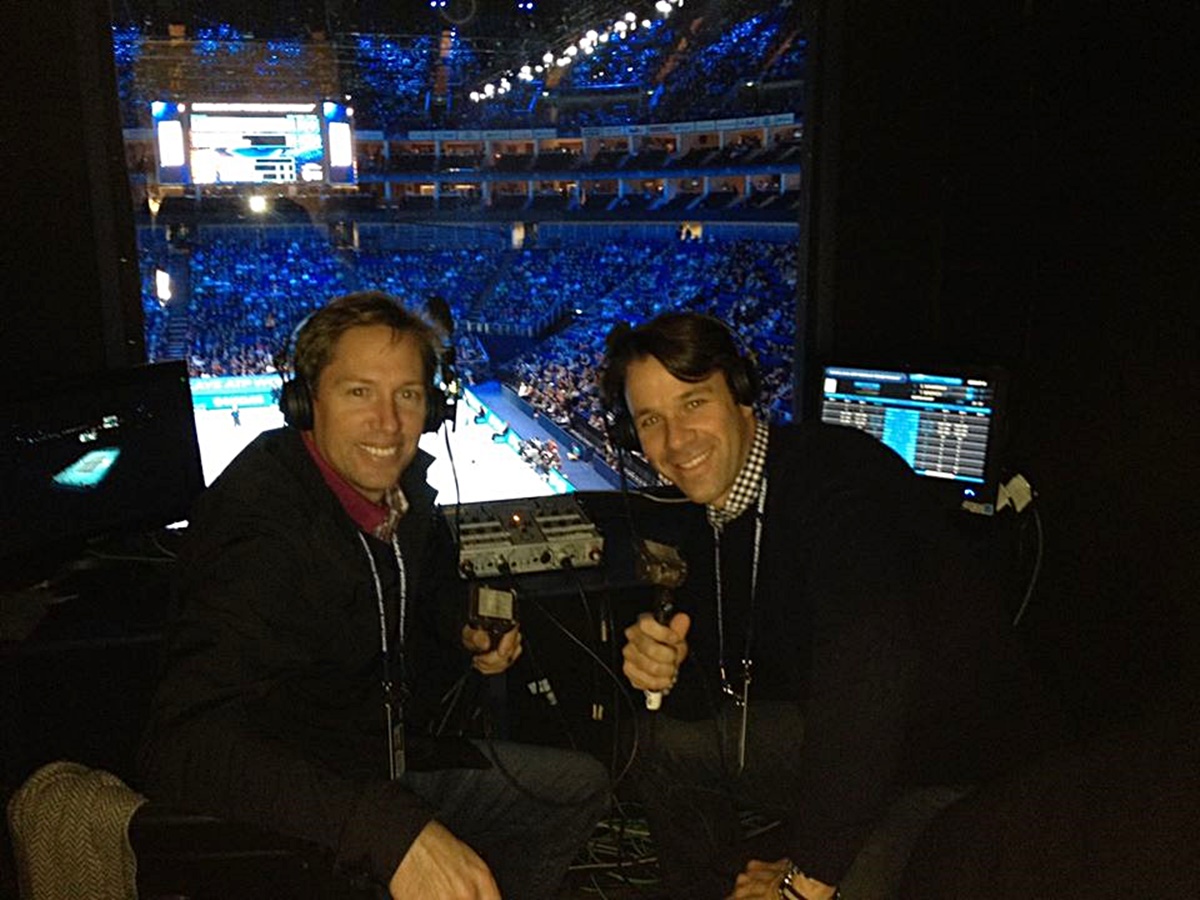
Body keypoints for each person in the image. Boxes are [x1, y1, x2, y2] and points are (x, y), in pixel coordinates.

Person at [138, 291, 609, 899]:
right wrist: (389, 831)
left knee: (578, 786)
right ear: (305, 401)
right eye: (358, 391)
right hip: (307, 796)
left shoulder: (403, 491)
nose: (387, 423)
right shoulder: (259, 526)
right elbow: (184, 746)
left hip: (386, 755)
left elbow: (430, 583)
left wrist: (460, 621)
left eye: (407, 395)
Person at [599, 311, 1056, 900]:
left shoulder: (838, 481)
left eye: (692, 404)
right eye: (650, 420)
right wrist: (665, 666)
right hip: (857, 743)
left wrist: (807, 875)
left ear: (740, 396)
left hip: (960, 769)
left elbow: (867, 676)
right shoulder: (715, 515)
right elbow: (715, 698)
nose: (674, 441)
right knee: (660, 747)